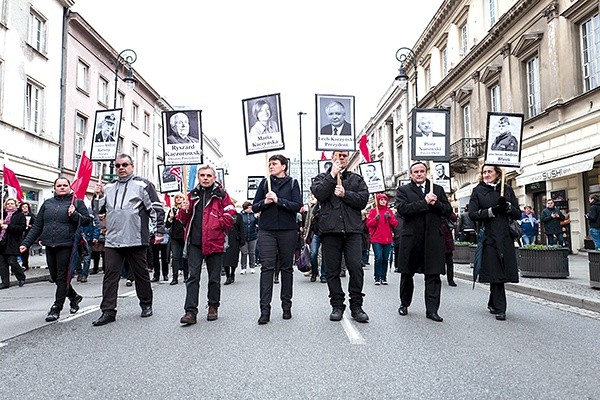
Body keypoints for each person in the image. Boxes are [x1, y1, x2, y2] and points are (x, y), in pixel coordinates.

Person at [91, 154, 165, 326]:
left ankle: (146, 304)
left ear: (132, 166)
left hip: (135, 238)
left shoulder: (143, 185)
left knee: (140, 273)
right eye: (117, 166)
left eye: (124, 164)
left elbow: (156, 209)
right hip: (113, 239)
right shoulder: (109, 187)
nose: (121, 168)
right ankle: (108, 311)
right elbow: (98, 210)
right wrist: (97, 196)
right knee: (110, 275)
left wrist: (159, 231)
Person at [310, 150, 370, 323]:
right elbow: (320, 194)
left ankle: (357, 306)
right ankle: (337, 305)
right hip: (330, 231)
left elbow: (363, 200)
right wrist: (332, 175)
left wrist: (346, 194)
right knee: (332, 271)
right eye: (338, 155)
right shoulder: (321, 177)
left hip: (352, 231)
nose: (341, 158)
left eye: (344, 155)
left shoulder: (356, 179)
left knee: (355, 268)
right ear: (332, 158)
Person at [20, 178, 91, 321]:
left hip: (67, 244)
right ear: (55, 188)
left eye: (65, 185)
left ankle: (56, 307)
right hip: (49, 244)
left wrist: (75, 214)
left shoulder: (76, 202)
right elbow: (38, 226)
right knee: (54, 276)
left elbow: (87, 220)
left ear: (70, 187)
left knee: (61, 276)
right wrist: (26, 243)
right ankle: (74, 296)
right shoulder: (47, 204)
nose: (62, 187)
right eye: (59, 185)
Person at [178, 165, 236, 325]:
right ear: (198, 177)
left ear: (214, 178)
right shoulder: (191, 195)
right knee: (193, 277)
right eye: (202, 175)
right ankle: (190, 312)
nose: (205, 178)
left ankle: (213, 306)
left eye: (208, 175)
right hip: (195, 243)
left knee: (214, 278)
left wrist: (218, 224)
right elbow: (183, 219)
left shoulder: (222, 195)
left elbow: (231, 214)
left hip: (215, 241)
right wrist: (183, 210)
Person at [396, 161, 452, 322]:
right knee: (407, 274)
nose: (419, 174)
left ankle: (432, 310)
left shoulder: (437, 189)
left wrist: (437, 204)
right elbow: (403, 210)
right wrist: (424, 203)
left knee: (433, 275)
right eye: (416, 172)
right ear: (411, 174)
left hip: (433, 238)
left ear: (426, 172)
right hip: (412, 238)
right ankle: (404, 303)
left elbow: (448, 211)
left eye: (422, 171)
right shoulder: (403, 190)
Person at [252, 154, 302, 324]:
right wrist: (265, 202)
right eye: (269, 164)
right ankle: (264, 310)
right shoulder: (264, 183)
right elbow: (254, 206)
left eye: (274, 164)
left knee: (287, 268)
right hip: (267, 230)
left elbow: (297, 206)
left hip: (288, 231)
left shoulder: (293, 183)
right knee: (267, 268)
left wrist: (278, 200)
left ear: (284, 166)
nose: (271, 167)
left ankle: (286, 306)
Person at [468, 164, 521, 321]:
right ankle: (500, 308)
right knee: (495, 270)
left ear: (497, 173)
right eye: (484, 172)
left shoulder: (507, 189)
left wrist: (508, 207)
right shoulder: (478, 191)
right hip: (489, 236)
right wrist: (491, 211)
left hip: (505, 236)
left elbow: (518, 213)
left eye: (489, 171)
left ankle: (493, 302)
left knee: (501, 270)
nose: (486, 174)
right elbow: (472, 214)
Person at [366, 193, 398, 285]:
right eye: (381, 200)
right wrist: (375, 219)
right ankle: (377, 277)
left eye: (384, 200)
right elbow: (369, 224)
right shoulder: (373, 211)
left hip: (387, 239)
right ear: (378, 201)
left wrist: (390, 218)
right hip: (376, 238)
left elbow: (395, 224)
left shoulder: (389, 211)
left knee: (385, 259)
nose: (383, 201)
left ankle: (383, 277)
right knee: (378, 257)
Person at [1, 198, 27, 289]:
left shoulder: (20, 215)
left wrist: (8, 227)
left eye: (12, 203)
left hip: (13, 242)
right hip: (2, 242)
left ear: (16, 205)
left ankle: (21, 277)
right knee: (2, 263)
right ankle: (5, 282)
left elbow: (21, 228)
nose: (10, 205)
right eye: (8, 204)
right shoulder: (2, 215)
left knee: (12, 261)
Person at [166, 193, 188, 285]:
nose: (178, 199)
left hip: (184, 236)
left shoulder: (186, 209)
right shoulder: (172, 210)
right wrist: (170, 218)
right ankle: (174, 278)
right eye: (177, 198)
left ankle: (186, 276)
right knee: (175, 257)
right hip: (175, 237)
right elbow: (167, 225)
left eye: (180, 197)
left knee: (185, 256)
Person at [306, 198, 327, 283]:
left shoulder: (329, 205)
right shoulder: (314, 207)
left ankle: (323, 275)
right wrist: (306, 233)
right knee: (313, 253)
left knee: (325, 255)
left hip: (326, 233)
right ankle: (314, 272)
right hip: (316, 232)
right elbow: (308, 220)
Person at [223, 209, 245, 285]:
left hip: (235, 240)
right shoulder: (223, 214)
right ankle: (227, 276)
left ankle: (232, 272)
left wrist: (242, 240)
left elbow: (241, 228)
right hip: (225, 239)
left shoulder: (238, 216)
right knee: (225, 259)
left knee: (234, 259)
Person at [239, 201, 258, 275]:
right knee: (244, 252)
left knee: (252, 252)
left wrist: (257, 218)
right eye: (250, 207)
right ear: (246, 208)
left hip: (253, 235)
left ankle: (252, 267)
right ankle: (243, 267)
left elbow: (257, 223)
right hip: (243, 236)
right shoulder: (241, 215)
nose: (251, 209)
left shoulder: (253, 215)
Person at [441, 212, 458, 287]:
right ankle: (437, 277)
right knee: (445, 261)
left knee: (449, 261)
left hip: (446, 239)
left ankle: (450, 279)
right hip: (438, 238)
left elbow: (454, 218)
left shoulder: (446, 208)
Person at [18, 202, 36, 271]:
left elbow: (36, 224)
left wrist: (30, 226)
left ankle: (25, 265)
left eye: (26, 206)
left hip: (27, 233)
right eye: (23, 207)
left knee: (25, 250)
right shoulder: (18, 215)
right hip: (19, 234)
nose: (25, 208)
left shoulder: (31, 215)